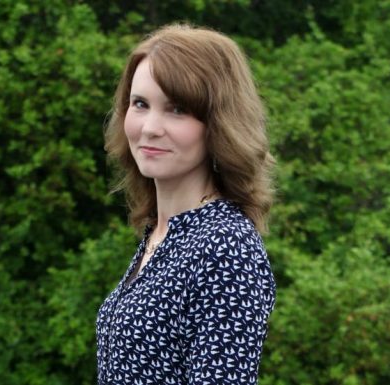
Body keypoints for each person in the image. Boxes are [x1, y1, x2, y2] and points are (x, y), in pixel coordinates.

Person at [96, 23, 276, 384]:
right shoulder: (162, 234)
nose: (149, 127)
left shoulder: (226, 247)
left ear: (219, 124)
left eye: (177, 109)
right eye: (140, 104)